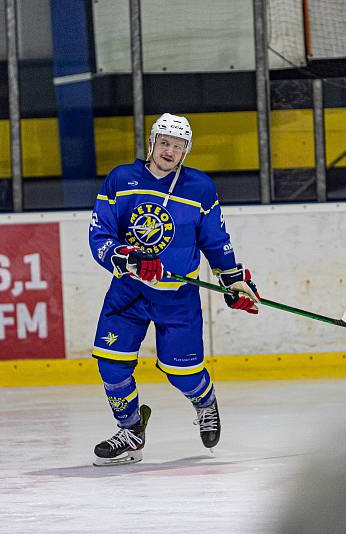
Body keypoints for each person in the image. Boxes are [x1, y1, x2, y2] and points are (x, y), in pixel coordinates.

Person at [87, 113, 261, 466]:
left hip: (177, 297)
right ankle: (131, 430)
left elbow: (215, 239)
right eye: (164, 142)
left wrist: (233, 279)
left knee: (181, 371)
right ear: (152, 143)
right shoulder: (121, 179)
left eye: (178, 145)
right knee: (111, 365)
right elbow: (100, 234)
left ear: (186, 150)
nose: (169, 150)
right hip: (128, 292)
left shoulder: (200, 188)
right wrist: (129, 257)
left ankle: (204, 402)